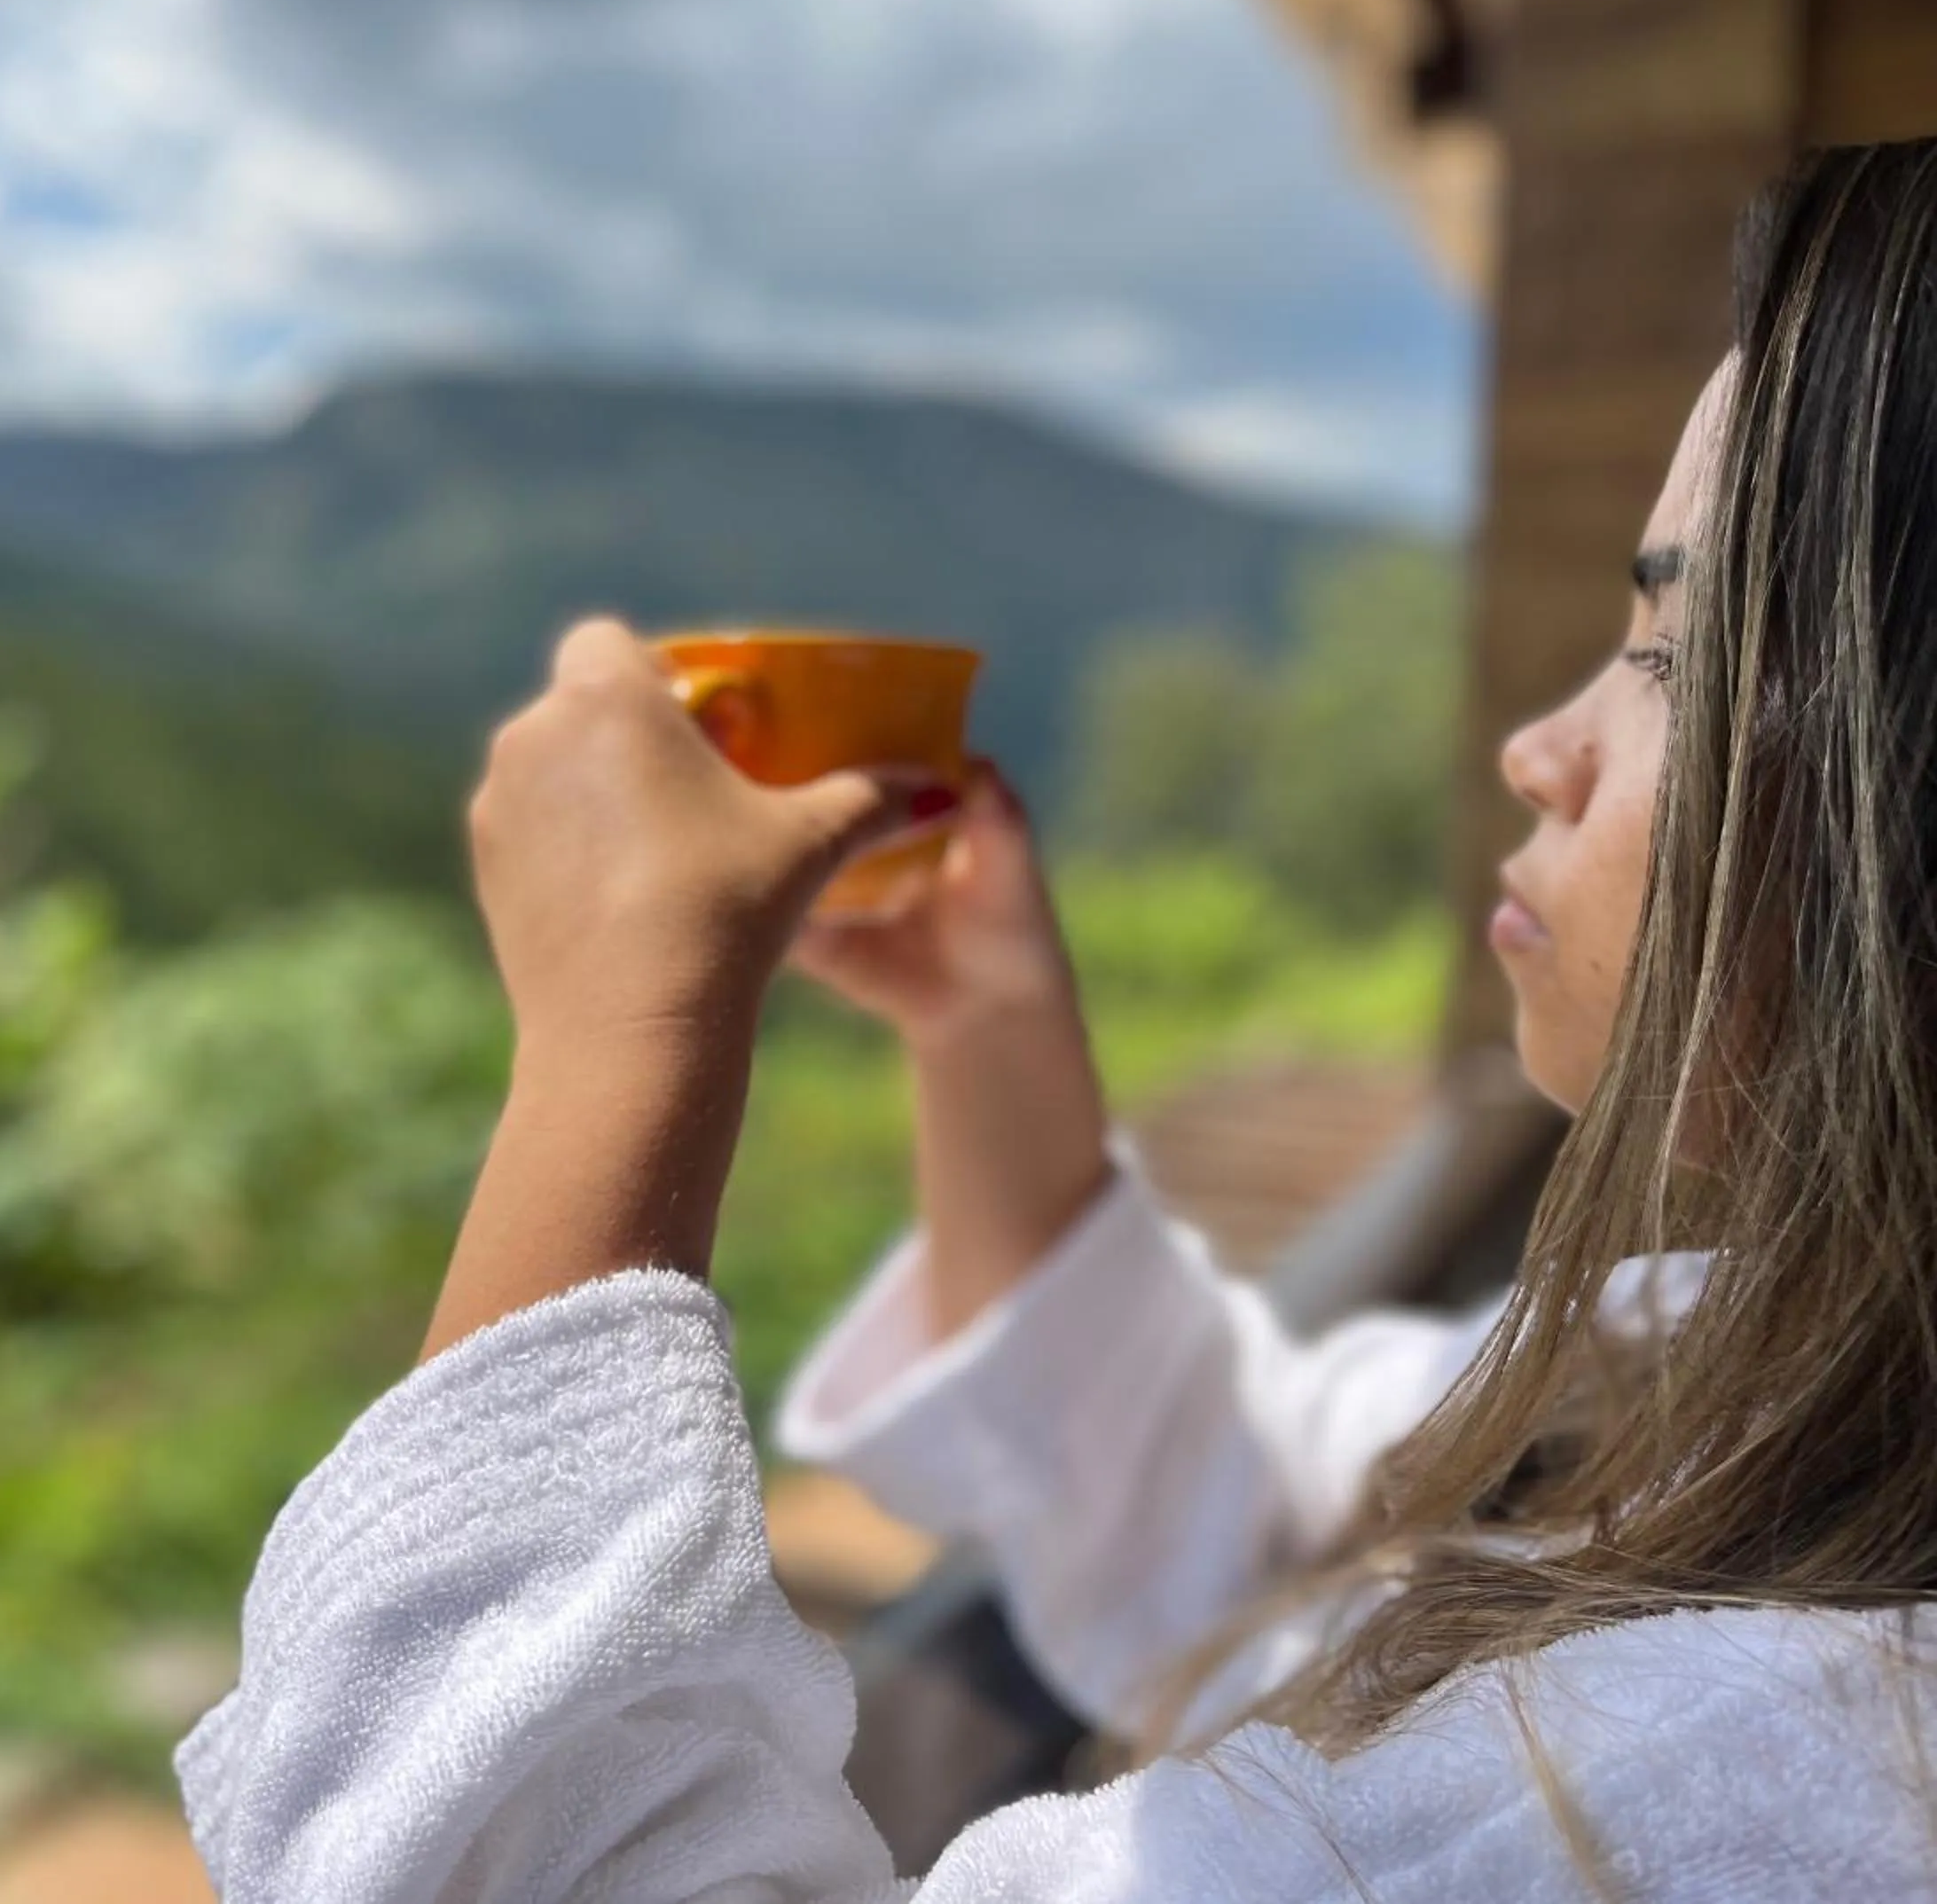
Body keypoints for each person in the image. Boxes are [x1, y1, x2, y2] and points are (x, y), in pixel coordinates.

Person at [176, 139, 1937, 1900]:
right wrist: (988, 1037)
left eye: (1670, 651)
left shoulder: (1740, 1788)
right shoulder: (1774, 1386)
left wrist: (612, 1041)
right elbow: (1279, 1508)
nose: (1536, 750)